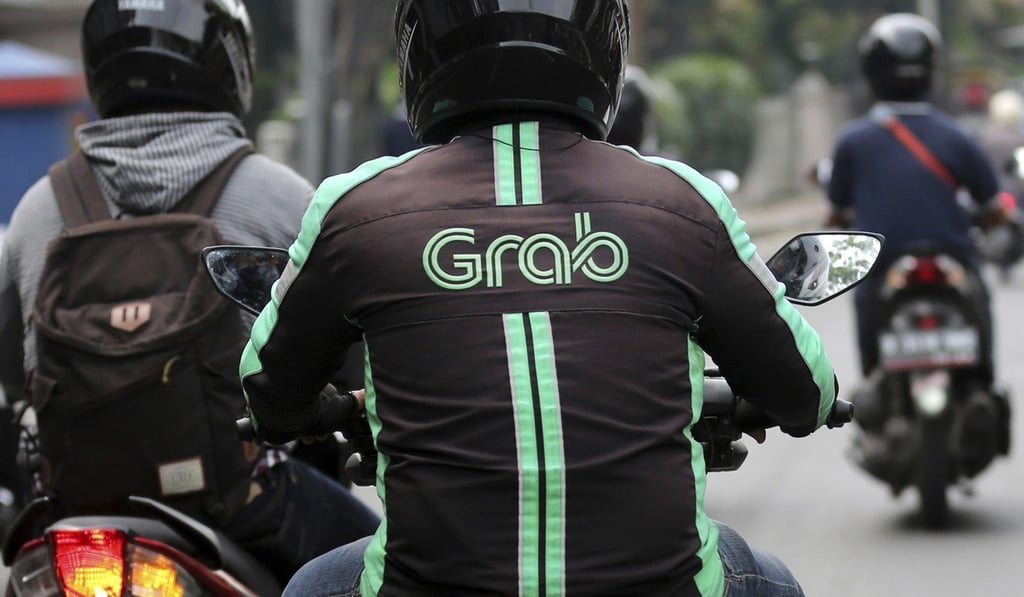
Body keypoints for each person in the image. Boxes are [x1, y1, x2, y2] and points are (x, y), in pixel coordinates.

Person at [242, 2, 840, 596]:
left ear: (419, 45)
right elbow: (807, 394)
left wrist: (318, 411)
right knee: (773, 581)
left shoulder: (355, 209)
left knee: (310, 585)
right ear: (605, 45)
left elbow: (268, 389)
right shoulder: (685, 204)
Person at [0, 0, 378, 586]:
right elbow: (350, 349)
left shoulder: (36, 210)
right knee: (378, 559)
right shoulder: (277, 194)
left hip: (73, 512)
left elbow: (13, 373)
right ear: (230, 63)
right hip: (245, 503)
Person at [825, 13, 1007, 379]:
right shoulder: (957, 136)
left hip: (883, 264)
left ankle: (874, 380)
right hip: (953, 259)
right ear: (930, 70)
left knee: (866, 302)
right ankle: (983, 381)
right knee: (979, 298)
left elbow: (837, 211)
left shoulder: (853, 140)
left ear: (872, 72)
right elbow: (993, 205)